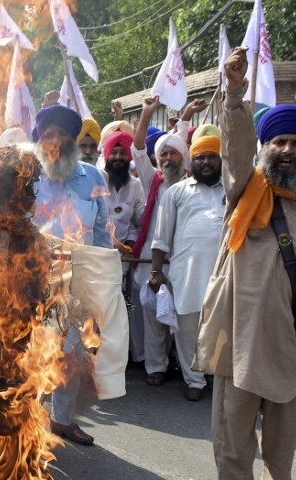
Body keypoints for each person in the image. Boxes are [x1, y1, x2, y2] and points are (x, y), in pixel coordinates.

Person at [196, 47, 296, 479]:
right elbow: (236, 149)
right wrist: (235, 94)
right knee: (233, 452)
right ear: (267, 147)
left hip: (288, 346)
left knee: (281, 457)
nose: (288, 149)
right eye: (279, 141)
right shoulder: (246, 191)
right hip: (238, 341)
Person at [32, 105, 112, 446]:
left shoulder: (94, 178)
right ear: (39, 139)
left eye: (63, 134)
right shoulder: (27, 177)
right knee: (33, 355)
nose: (56, 140)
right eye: (49, 133)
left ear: (74, 140)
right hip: (33, 282)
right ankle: (27, 424)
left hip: (80, 283)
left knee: (73, 356)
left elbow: (104, 229)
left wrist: (106, 279)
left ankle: (62, 420)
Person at [149, 134, 225, 401]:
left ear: (220, 160)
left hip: (225, 273)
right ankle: (194, 380)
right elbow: (160, 238)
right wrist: (157, 271)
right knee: (188, 328)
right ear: (192, 161)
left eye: (211, 157)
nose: (205, 162)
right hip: (187, 273)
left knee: (221, 327)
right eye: (200, 157)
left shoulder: (233, 190)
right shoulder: (176, 192)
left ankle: (216, 373)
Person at [131, 95, 190, 387]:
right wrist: (146, 114)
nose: (168, 158)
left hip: (182, 263)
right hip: (149, 261)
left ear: (183, 157)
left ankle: (186, 365)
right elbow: (139, 148)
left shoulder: (194, 185)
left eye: (174, 154)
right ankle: (156, 366)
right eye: (163, 154)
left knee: (183, 315)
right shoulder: (151, 180)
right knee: (154, 316)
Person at [101, 131, 145, 363]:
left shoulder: (136, 186)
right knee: (97, 309)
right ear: (107, 156)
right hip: (97, 257)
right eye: (114, 152)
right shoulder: (96, 179)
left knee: (120, 309)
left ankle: (118, 358)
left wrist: (129, 243)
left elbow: (139, 223)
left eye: (122, 153)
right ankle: (96, 357)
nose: (118, 157)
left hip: (122, 261)